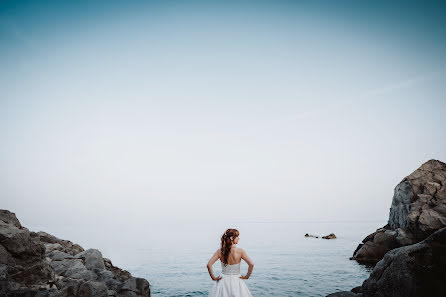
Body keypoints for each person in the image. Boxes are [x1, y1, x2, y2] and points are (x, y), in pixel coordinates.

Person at [206, 228, 255, 297]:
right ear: (232, 238)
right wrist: (247, 276)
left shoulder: (220, 251)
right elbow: (251, 264)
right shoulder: (240, 251)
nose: (239, 238)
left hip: (223, 281)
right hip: (237, 280)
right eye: (237, 236)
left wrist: (213, 277)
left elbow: (209, 264)